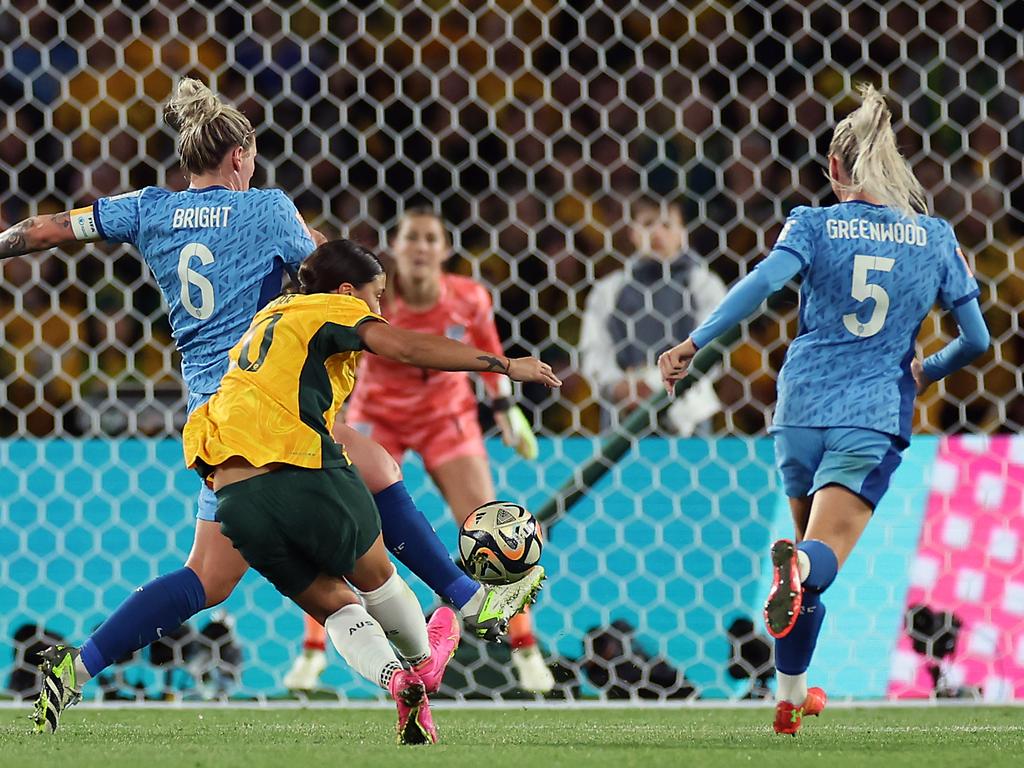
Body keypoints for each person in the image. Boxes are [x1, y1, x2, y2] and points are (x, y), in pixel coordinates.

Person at [1, 78, 541, 734]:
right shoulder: (268, 210)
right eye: (251, 157)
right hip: (274, 399)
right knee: (374, 471)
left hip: (211, 422)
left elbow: (51, 228)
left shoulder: (146, 209)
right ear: (238, 158)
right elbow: (326, 271)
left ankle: (76, 668)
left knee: (209, 576)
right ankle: (466, 602)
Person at [658, 84, 989, 735]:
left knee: (803, 576)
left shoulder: (810, 222)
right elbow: (976, 339)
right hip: (871, 411)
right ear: (892, 166)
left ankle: (789, 700)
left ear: (834, 168)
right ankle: (799, 576)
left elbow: (764, 282)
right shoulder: (933, 236)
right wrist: (930, 369)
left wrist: (695, 341)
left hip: (800, 410)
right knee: (816, 559)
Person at [180, 239, 560, 743]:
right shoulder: (336, 309)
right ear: (346, 291)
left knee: (336, 604)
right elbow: (405, 346)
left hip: (233, 493)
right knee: (379, 577)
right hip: (300, 466)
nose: (380, 308)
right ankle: (457, 620)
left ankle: (399, 679)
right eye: (376, 295)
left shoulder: (270, 314)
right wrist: (505, 366)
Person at [286, 207, 555, 693]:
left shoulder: (469, 297)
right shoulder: (370, 300)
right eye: (411, 238)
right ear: (396, 246)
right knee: (342, 525)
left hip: (445, 418)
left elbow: (488, 345)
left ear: (444, 249)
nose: (420, 247)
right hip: (379, 414)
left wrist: (506, 411)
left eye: (430, 238)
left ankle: (525, 645)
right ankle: (313, 653)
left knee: (496, 529)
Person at [579, 195, 727, 435]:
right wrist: (619, 386)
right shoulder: (609, 290)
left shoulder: (703, 284)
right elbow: (594, 350)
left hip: (687, 411)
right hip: (624, 414)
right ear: (632, 233)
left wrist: (660, 384)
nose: (657, 232)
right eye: (648, 224)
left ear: (682, 234)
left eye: (667, 225)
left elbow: (713, 346)